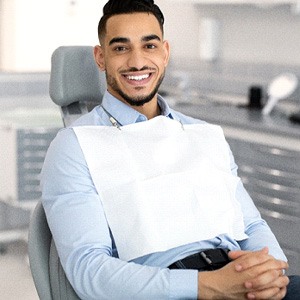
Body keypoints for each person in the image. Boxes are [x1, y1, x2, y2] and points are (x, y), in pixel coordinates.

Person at [41, 0, 300, 299]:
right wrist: (208, 287)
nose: (137, 62)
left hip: (243, 282)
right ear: (101, 58)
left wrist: (272, 275)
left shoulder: (202, 133)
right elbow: (90, 271)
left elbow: (251, 224)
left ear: (165, 53)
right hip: (174, 290)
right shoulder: (74, 146)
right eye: (121, 48)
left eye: (149, 46)